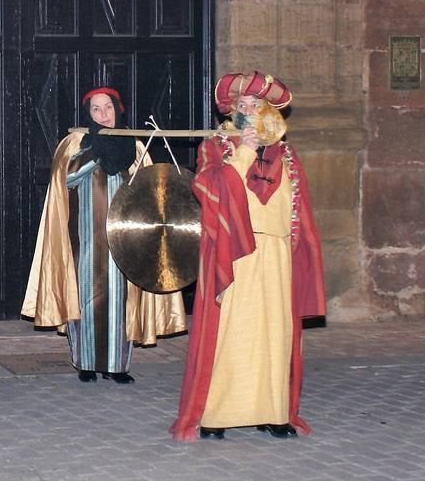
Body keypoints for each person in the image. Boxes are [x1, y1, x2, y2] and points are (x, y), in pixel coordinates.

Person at [170, 71, 326, 442]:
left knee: (275, 333)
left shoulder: (287, 155)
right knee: (233, 332)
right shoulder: (216, 148)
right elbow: (207, 188)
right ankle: (218, 414)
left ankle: (273, 413)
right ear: (233, 112)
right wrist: (243, 152)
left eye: (257, 105)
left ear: (269, 111)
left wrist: (303, 256)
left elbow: (299, 210)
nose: (250, 111)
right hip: (235, 252)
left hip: (275, 253)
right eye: (242, 106)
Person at [22, 87, 187, 382]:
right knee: (85, 296)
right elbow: (66, 179)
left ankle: (117, 366)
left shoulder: (135, 146)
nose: (102, 115)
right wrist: (96, 153)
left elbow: (150, 189)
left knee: (121, 300)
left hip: (126, 240)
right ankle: (85, 363)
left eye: (107, 108)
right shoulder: (76, 143)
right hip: (85, 238)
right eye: (96, 110)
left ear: (117, 110)